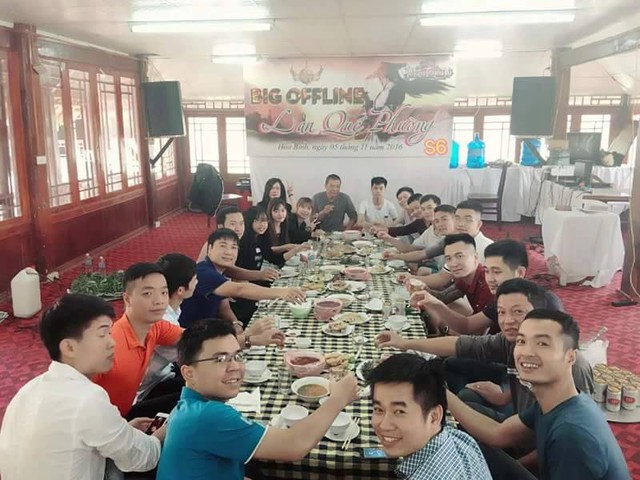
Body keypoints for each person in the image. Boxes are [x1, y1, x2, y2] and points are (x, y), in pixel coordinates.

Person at [156, 320, 360, 480]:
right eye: (220, 359)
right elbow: (294, 445)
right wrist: (338, 399)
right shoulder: (207, 415)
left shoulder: (186, 405)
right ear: (188, 373)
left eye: (237, 356)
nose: (235, 367)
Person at [377, 279, 594, 425]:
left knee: (450, 418)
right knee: (456, 391)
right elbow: (462, 343)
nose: (507, 320)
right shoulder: (511, 340)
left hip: (534, 446)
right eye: (501, 312)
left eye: (518, 312)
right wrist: (404, 343)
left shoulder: (572, 367)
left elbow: (557, 439)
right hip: (521, 425)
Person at [445, 310, 629, 480]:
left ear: (570, 357)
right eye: (521, 341)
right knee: (478, 451)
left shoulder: (572, 434)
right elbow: (497, 433)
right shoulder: (557, 401)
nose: (527, 352)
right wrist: (441, 392)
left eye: (542, 343)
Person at [0, 294, 164, 480]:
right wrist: (160, 435)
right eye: (102, 334)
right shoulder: (88, 398)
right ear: (69, 348)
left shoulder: (28, 390)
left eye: (110, 333)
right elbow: (141, 459)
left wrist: (122, 430)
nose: (112, 343)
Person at [368, 354, 492, 479]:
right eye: (379, 409)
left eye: (399, 412)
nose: (384, 425)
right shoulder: (461, 439)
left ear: (434, 417)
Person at [94, 263, 185, 419]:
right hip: (104, 424)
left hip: (127, 412)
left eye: (164, 292)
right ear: (127, 299)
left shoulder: (155, 326)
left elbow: (195, 337)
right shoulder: (110, 346)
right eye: (148, 294)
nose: (159, 301)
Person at [179, 228, 305, 329]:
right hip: (189, 337)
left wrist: (235, 323)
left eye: (233, 247)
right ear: (209, 249)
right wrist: (281, 292)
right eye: (223, 246)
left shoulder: (217, 270)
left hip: (205, 328)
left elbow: (223, 306)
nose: (229, 252)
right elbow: (240, 289)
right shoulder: (204, 272)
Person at [407, 240, 529, 335]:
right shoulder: (503, 296)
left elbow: (477, 336)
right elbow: (468, 325)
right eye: (487, 271)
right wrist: (430, 298)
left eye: (496, 272)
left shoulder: (528, 303)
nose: (490, 279)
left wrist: (445, 328)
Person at [136, 253, 197, 404]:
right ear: (181, 290)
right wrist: (247, 339)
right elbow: (197, 350)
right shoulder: (162, 319)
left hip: (163, 376)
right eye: (195, 279)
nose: (198, 282)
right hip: (145, 392)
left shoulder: (169, 309)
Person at [419, 233, 493, 315]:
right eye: (448, 258)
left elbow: (479, 322)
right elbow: (444, 297)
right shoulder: (463, 278)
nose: (453, 264)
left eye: (459, 256)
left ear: (475, 257)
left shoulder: (488, 284)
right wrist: (423, 289)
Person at [382, 202, 454, 262]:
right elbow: (419, 253)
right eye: (437, 221)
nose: (440, 224)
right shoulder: (432, 232)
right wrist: (395, 256)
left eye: (444, 219)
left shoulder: (456, 240)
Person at [259, 198, 309, 267]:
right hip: (268, 264)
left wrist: (299, 254)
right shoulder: (266, 228)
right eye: (276, 211)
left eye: (283, 210)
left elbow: (288, 247)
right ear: (270, 212)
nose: (280, 214)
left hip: (281, 262)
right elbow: (269, 250)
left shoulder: (285, 226)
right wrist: (288, 247)